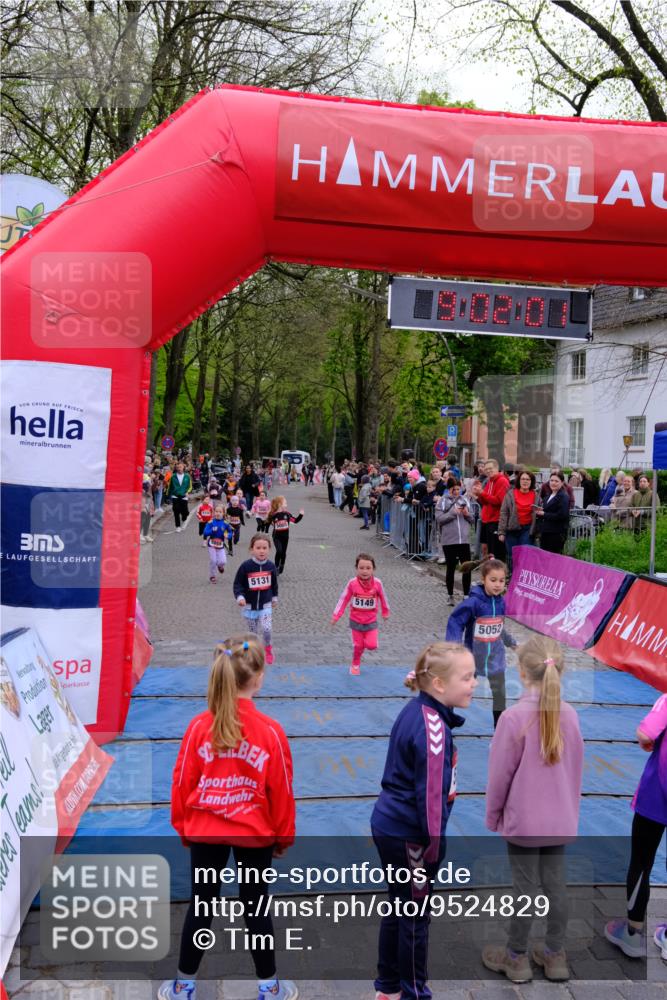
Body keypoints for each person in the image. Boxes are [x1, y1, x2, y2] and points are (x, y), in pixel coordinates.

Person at [159, 636, 298, 1000]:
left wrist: (184, 827)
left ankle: (183, 986)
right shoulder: (270, 732)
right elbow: (282, 792)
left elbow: (181, 783)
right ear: (259, 678)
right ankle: (269, 987)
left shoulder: (198, 727)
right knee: (256, 908)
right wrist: (283, 837)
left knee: (201, 906)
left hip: (205, 833)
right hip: (255, 835)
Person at [371, 642, 476, 1000]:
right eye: (467, 677)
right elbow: (431, 794)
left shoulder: (418, 709)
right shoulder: (433, 727)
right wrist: (433, 845)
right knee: (415, 918)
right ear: (440, 685)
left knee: (399, 907)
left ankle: (388, 987)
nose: (474, 683)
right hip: (411, 835)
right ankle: (414, 993)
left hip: (393, 827)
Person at [482, 636, 584, 984]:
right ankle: (555, 954)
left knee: (524, 890)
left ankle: (516, 957)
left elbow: (499, 775)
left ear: (522, 673)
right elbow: (575, 770)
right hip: (560, 820)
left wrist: (493, 815)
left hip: (525, 823)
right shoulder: (571, 716)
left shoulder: (513, 719)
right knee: (556, 885)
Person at [605, 692, 667, 962]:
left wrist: (649, 741)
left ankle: (633, 931)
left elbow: (645, 733)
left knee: (642, 861)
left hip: (657, 794)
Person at [445, 558, 517, 728]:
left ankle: (499, 727)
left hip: (495, 657)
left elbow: (498, 627)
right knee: (459, 689)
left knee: (500, 694)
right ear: (483, 579)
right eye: (493, 580)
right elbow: (455, 621)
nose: (498, 585)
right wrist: (455, 646)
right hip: (473, 657)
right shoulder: (473, 603)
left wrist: (512, 643)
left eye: (502, 581)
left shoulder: (502, 602)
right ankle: (446, 719)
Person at [331, 552, 390, 675]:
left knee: (372, 645)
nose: (365, 571)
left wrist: (385, 612)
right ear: (356, 568)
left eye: (368, 568)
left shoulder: (378, 583)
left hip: (371, 621)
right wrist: (336, 616)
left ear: (373, 569)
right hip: (356, 621)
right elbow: (344, 599)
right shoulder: (352, 583)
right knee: (358, 646)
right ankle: (355, 664)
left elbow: (384, 598)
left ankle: (365, 646)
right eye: (361, 568)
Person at [233, 535, 279, 665]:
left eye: (264, 548)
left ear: (269, 549)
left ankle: (268, 648)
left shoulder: (271, 566)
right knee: (252, 634)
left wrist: (274, 597)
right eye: (258, 548)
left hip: (265, 605)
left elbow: (274, 584)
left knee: (266, 629)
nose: (261, 551)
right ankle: (252, 652)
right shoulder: (245, 566)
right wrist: (240, 597)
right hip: (249, 607)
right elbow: (238, 584)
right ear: (251, 549)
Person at [435, 480, 473, 606]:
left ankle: (466, 595)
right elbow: (439, 519)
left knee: (467, 568)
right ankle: (450, 595)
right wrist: (452, 513)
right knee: (451, 568)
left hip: (464, 540)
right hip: (449, 541)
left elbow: (473, 518)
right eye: (454, 489)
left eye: (458, 489)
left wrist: (467, 514)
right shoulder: (443, 500)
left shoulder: (465, 499)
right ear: (449, 489)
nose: (456, 492)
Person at [497, 470, 537, 574]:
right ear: (518, 480)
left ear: (531, 482)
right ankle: (513, 576)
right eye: (523, 479)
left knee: (525, 554)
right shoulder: (510, 494)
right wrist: (501, 532)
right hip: (511, 529)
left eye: (528, 479)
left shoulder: (536, 496)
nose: (525, 481)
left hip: (527, 530)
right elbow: (504, 513)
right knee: (512, 555)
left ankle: (522, 577)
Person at [478, 460, 510, 561]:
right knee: (488, 550)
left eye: (490, 468)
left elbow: (499, 501)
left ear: (497, 468)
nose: (488, 471)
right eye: (486, 469)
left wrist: (482, 493)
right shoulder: (489, 481)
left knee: (496, 552)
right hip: (487, 519)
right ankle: (489, 569)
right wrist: (478, 494)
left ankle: (498, 570)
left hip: (496, 520)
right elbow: (485, 502)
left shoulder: (502, 481)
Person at [265, 497, 304, 575]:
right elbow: (268, 522)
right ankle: (276, 567)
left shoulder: (287, 514)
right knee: (279, 551)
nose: (286, 504)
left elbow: (295, 521)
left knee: (283, 553)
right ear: (280, 504)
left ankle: (282, 564)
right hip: (276, 537)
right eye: (285, 503)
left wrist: (301, 515)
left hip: (285, 537)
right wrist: (267, 530)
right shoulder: (274, 514)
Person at [536, 472, 570, 554]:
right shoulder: (548, 495)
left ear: (562, 483)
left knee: (553, 558)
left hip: (556, 533)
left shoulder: (563, 496)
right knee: (544, 556)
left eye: (556, 481)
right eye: (551, 480)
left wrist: (544, 514)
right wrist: (540, 510)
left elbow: (562, 515)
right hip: (546, 532)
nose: (553, 483)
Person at [203, 504, 234, 583]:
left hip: (220, 545)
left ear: (223, 513)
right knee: (213, 561)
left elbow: (231, 532)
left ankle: (220, 566)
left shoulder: (225, 523)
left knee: (223, 561)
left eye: (220, 512)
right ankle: (212, 576)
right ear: (214, 512)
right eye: (216, 511)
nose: (218, 513)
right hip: (211, 545)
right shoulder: (211, 522)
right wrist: (212, 531)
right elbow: (205, 532)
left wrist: (228, 536)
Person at [167, 460, 192, 531]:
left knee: (185, 512)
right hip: (175, 496)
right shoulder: (173, 476)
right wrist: (168, 495)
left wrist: (188, 492)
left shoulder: (187, 476)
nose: (179, 469)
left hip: (184, 496)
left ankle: (184, 516)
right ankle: (177, 526)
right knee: (176, 511)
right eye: (177, 467)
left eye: (180, 467)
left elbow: (190, 486)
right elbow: (170, 486)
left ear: (183, 467)